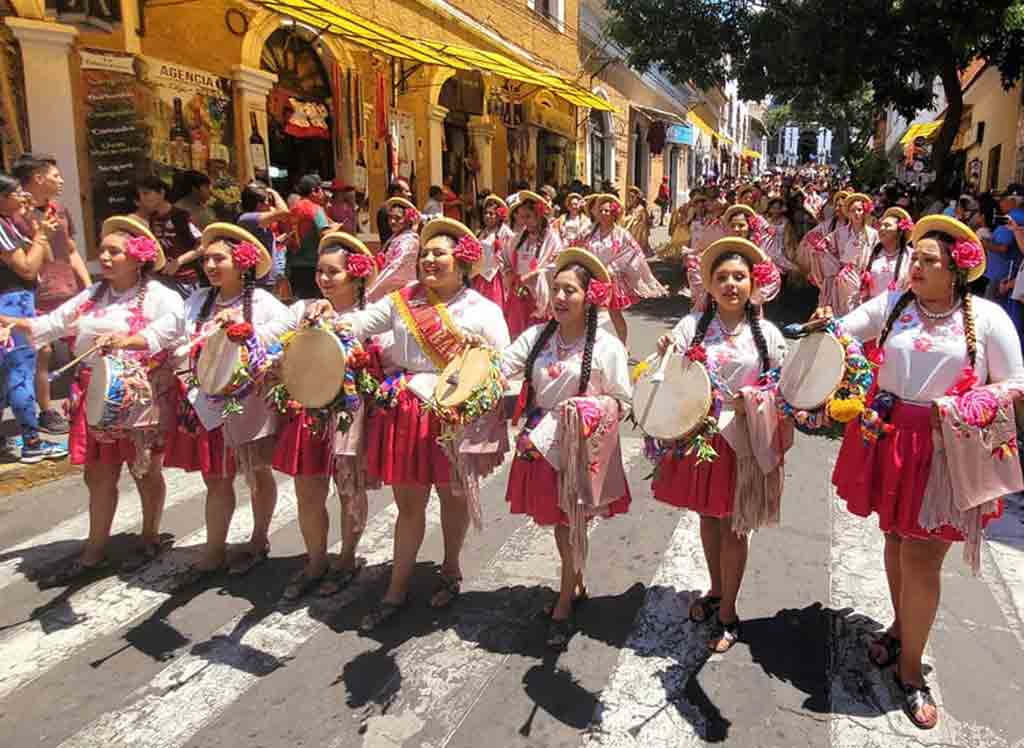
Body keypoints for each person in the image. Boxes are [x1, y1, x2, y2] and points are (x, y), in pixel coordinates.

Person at [818, 216, 1020, 730]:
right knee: (894, 539)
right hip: (889, 438)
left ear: (957, 269)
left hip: (945, 449)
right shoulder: (892, 305)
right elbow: (841, 331)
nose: (918, 267)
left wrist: (967, 406)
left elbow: (1016, 381)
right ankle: (898, 628)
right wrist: (826, 328)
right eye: (916, 258)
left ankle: (910, 672)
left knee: (923, 557)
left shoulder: (988, 317)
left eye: (930, 260)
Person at [338, 218, 510, 630]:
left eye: (439, 253)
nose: (430, 260)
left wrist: (479, 356)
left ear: (462, 260)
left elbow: (504, 367)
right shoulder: (402, 301)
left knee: (453, 498)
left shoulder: (483, 310)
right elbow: (359, 324)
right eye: (425, 254)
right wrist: (336, 320)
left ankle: (450, 568)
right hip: (408, 415)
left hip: (454, 417)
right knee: (408, 506)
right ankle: (396, 588)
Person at [1, 217, 182, 584]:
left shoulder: (163, 296)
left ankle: (150, 537)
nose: (105, 257)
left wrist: (127, 341)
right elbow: (52, 323)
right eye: (103, 250)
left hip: (139, 394)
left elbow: (171, 330)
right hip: (93, 394)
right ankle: (93, 552)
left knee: (145, 470)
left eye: (115, 251)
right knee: (98, 475)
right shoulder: (93, 296)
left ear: (138, 257)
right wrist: (12, 322)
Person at [651, 237, 789, 653]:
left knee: (736, 526)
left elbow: (784, 389)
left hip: (743, 442)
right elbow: (667, 374)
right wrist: (663, 353)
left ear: (753, 284)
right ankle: (715, 589)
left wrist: (752, 403)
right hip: (702, 438)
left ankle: (728, 610)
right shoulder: (690, 326)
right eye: (722, 277)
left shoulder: (767, 333)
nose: (731, 284)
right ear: (709, 285)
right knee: (709, 519)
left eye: (739, 277)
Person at [500, 248, 632, 648]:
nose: (559, 297)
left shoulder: (607, 346)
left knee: (571, 522)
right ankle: (573, 581)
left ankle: (565, 597)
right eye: (556, 289)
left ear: (589, 296)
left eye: (569, 291)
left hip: (583, 446)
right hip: (543, 443)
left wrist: (589, 409)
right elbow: (502, 366)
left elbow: (623, 400)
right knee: (561, 523)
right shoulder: (537, 337)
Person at [164, 224, 290, 577]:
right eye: (207, 259)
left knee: (256, 473)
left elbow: (283, 340)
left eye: (220, 258)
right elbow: (170, 334)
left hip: (248, 403)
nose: (211, 266)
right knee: (216, 478)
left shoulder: (262, 304)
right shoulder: (197, 302)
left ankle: (258, 538)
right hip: (205, 403)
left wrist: (246, 335)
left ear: (243, 261)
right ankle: (215, 550)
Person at [271, 232, 382, 599]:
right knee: (308, 492)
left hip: (349, 415)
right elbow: (272, 340)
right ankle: (316, 561)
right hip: (307, 412)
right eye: (320, 271)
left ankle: (347, 558)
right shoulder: (302, 311)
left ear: (356, 275)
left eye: (333, 272)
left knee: (348, 489)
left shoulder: (369, 317)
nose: (324, 279)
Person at [13, 153, 91, 435]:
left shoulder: (59, 209)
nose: (60, 181)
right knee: (42, 352)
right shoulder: (15, 215)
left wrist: (88, 285)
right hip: (35, 295)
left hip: (68, 291)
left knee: (84, 346)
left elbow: (70, 250)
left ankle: (82, 403)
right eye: (55, 176)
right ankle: (46, 410)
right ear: (38, 178)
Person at [0, 173, 67, 463]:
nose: (23, 197)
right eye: (17, 192)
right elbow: (27, 268)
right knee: (19, 372)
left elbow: (46, 256)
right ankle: (32, 442)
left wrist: (36, 228)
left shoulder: (10, 224)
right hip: (11, 305)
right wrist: (39, 237)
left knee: (7, 376)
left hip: (18, 302)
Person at [582, 194, 667, 345]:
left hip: (611, 279)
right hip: (592, 278)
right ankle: (588, 344)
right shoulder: (590, 232)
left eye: (607, 211)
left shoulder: (622, 234)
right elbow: (582, 250)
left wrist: (614, 268)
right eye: (601, 210)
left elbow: (634, 254)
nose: (604, 213)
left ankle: (622, 345)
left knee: (615, 315)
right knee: (588, 313)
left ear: (614, 213)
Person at [503, 191, 562, 338]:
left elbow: (556, 264)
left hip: (538, 296)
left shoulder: (552, 239)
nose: (524, 221)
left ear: (538, 215)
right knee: (517, 332)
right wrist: (509, 272)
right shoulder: (517, 238)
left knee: (537, 334)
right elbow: (505, 259)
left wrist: (535, 274)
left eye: (528, 216)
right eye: (522, 217)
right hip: (519, 293)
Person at [809, 192, 877, 316]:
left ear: (865, 211)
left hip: (862, 278)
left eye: (860, 210)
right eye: (852, 211)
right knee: (841, 311)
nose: (856, 213)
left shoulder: (873, 234)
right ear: (848, 213)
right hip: (842, 277)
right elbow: (823, 248)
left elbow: (878, 255)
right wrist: (821, 251)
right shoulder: (840, 232)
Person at [137, 176, 203, 300]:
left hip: (186, 280)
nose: (143, 198)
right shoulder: (152, 218)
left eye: (146, 193)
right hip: (163, 280)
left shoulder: (181, 216)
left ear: (161, 193)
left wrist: (178, 262)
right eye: (140, 194)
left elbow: (203, 245)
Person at [236, 182, 292, 296]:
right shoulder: (247, 218)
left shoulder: (256, 220)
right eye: (267, 201)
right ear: (258, 204)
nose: (270, 206)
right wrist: (274, 193)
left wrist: (276, 243)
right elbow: (284, 212)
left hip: (268, 278)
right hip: (260, 280)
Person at [367, 197, 420, 302]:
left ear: (408, 219)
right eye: (390, 217)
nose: (392, 221)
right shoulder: (397, 236)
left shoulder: (409, 241)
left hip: (400, 292)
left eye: (397, 218)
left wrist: (372, 289)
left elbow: (395, 268)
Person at [288, 175, 331, 299]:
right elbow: (325, 235)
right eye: (321, 190)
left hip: (295, 265)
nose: (323, 194)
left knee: (301, 305)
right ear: (314, 191)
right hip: (313, 265)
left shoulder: (293, 209)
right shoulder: (315, 209)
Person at [861, 207, 913, 301]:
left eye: (887, 225)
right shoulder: (870, 251)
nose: (881, 228)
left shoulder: (910, 255)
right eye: (881, 225)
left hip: (897, 309)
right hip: (871, 307)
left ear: (899, 232)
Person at [474, 194, 512, 307]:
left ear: (499, 216)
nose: (487, 216)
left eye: (491, 214)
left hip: (496, 277)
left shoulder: (505, 232)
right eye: (485, 213)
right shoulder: (481, 232)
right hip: (481, 276)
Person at [376, 179, 412, 244]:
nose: (410, 194)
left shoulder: (403, 208)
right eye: (406, 191)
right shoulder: (386, 209)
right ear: (396, 193)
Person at [623, 186, 652, 255]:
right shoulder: (630, 208)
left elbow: (645, 220)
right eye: (629, 197)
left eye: (633, 197)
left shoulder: (641, 209)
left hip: (639, 231)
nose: (630, 199)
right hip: (631, 229)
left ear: (637, 198)